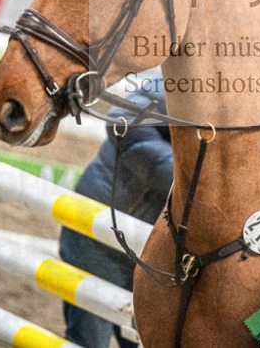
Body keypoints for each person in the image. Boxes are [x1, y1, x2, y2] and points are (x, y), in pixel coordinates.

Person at [58, 73, 173, 348]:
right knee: (88, 339)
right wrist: (189, 175)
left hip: (154, 254)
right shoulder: (184, 75)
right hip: (100, 234)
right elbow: (125, 118)